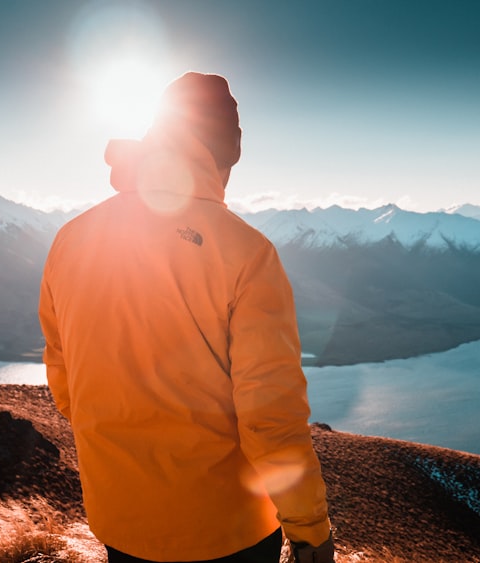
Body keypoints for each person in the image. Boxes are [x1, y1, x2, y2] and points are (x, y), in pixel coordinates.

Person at [39, 72, 334, 563]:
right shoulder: (247, 252)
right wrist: (309, 529)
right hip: (227, 530)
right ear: (226, 155)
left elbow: (65, 381)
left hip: (121, 518)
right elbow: (270, 418)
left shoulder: (71, 238)